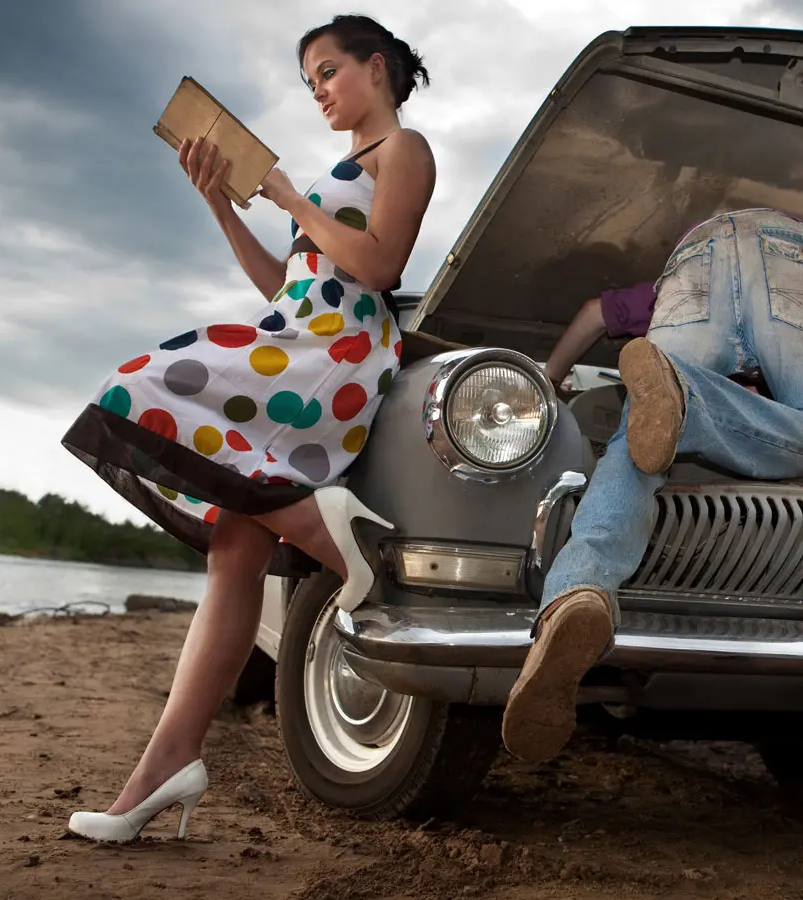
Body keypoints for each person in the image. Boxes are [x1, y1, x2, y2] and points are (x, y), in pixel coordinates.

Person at [63, 14, 435, 842]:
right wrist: (222, 206)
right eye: (309, 82)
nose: (319, 92)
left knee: (145, 386)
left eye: (329, 71)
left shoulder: (403, 153)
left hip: (335, 357)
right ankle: (163, 770)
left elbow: (377, 268)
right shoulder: (342, 169)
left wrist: (288, 195)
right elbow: (286, 286)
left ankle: (340, 543)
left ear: (377, 69)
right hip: (299, 333)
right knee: (234, 549)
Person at [502, 207, 803, 764]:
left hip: (694, 258)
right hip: (791, 251)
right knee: (657, 424)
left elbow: (595, 311)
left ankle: (579, 590)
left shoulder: (687, 262)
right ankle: (687, 402)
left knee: (634, 441)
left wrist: (545, 382)